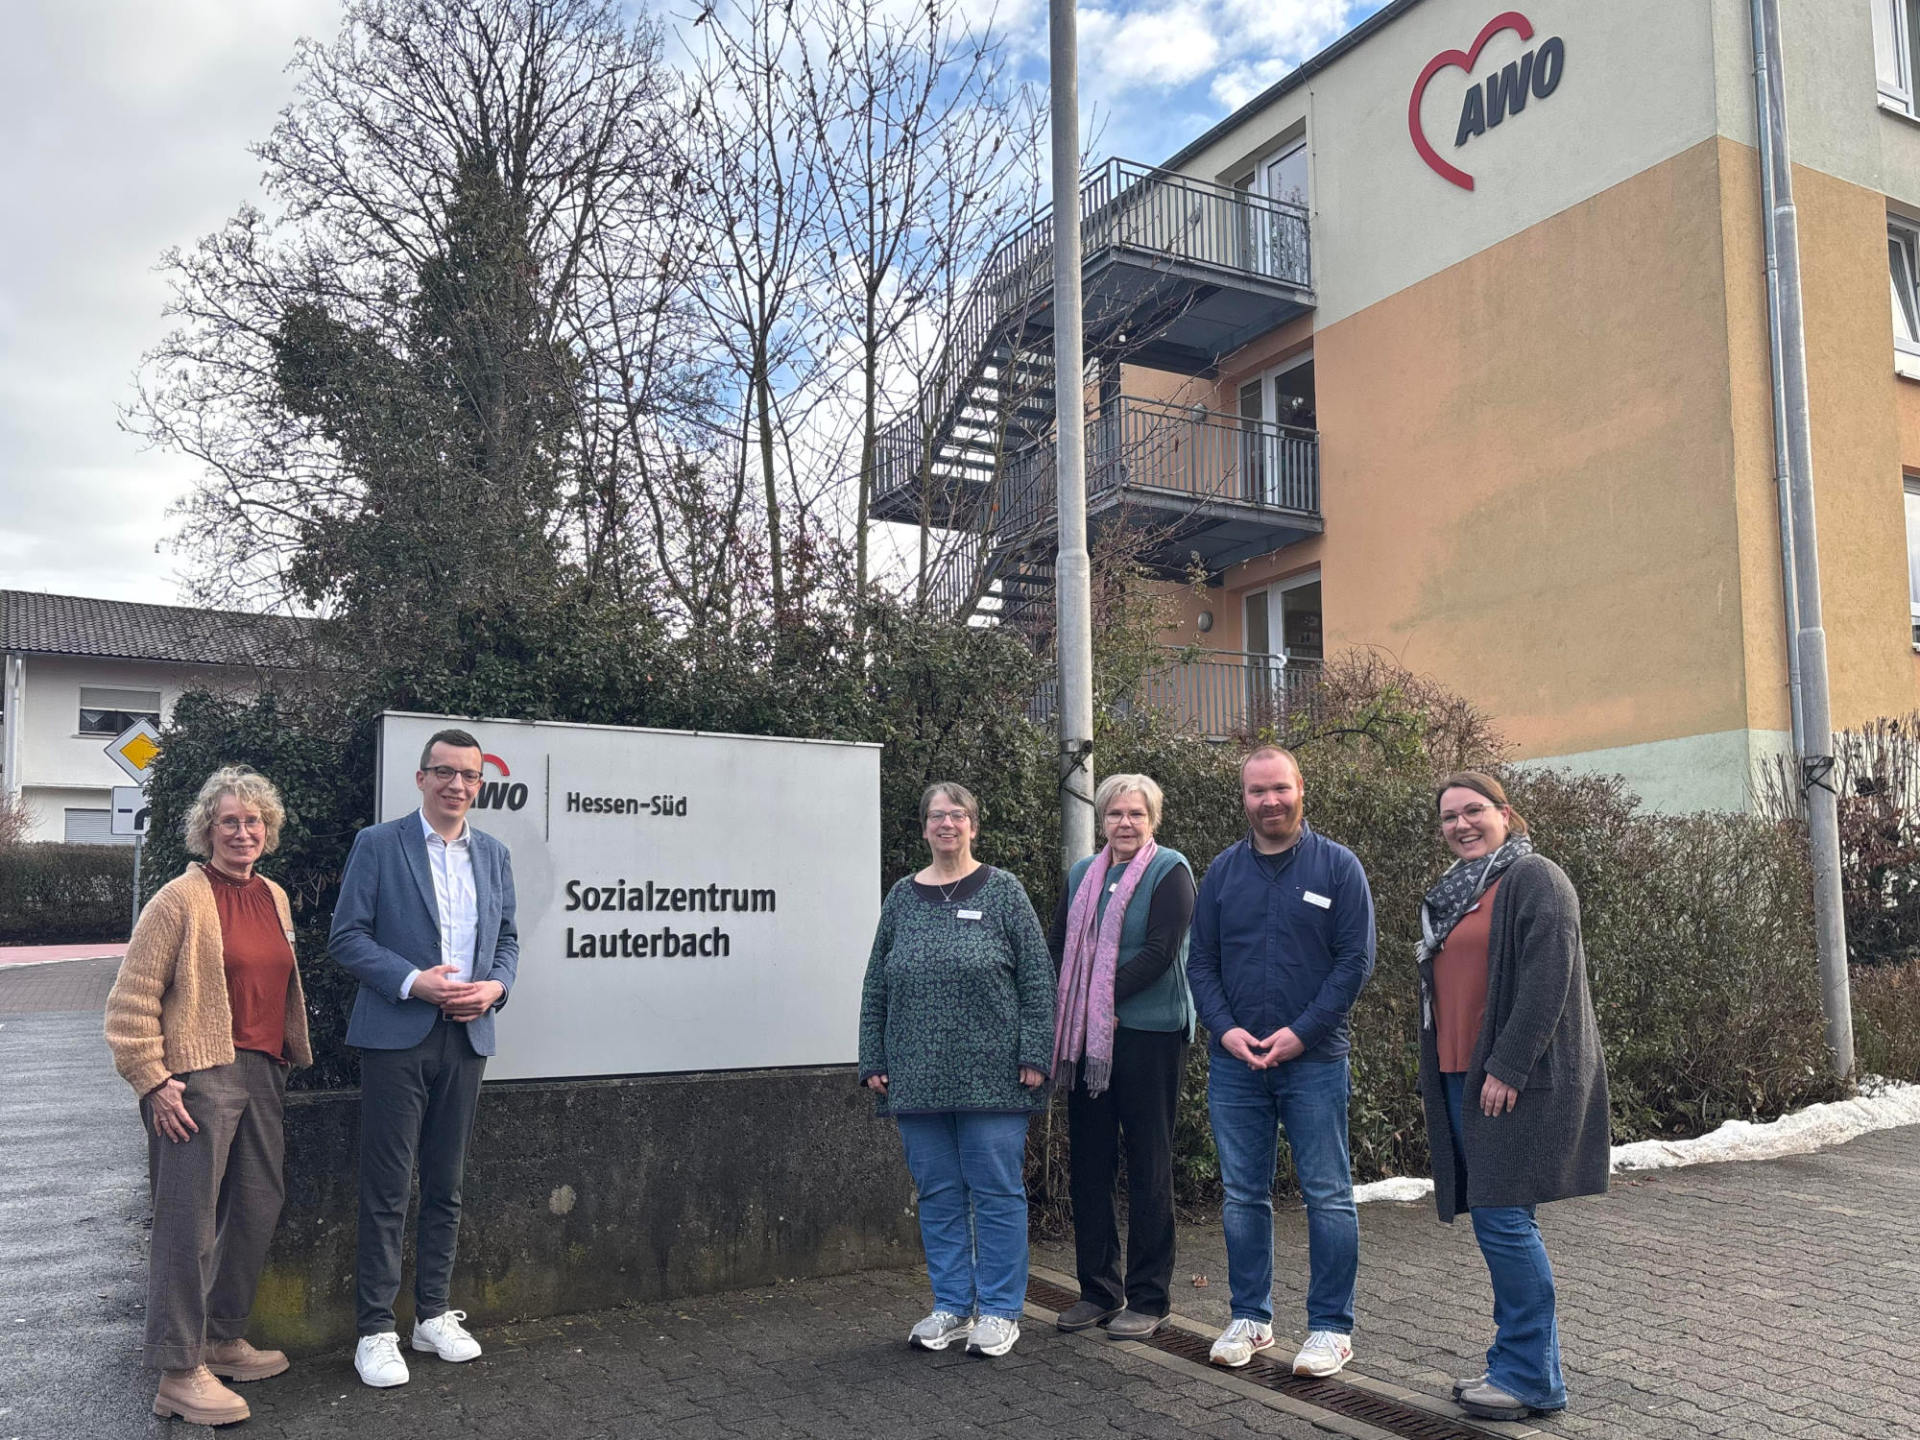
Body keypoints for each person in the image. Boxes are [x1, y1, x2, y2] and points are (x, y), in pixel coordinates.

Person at [105, 766, 313, 1427]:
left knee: (256, 1207)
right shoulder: (177, 900)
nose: (243, 831)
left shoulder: (274, 896)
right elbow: (131, 1001)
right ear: (207, 829)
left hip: (262, 1071)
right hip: (196, 1077)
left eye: (254, 821)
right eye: (229, 821)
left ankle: (221, 1339)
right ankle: (176, 1370)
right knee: (186, 1224)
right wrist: (154, 1079)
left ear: (268, 830)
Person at [330, 727, 519, 1389]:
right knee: (387, 1191)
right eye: (444, 772)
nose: (457, 785)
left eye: (469, 775)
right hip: (395, 1035)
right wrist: (416, 981)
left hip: (466, 1039)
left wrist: (494, 988)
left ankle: (432, 1314)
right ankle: (376, 1329)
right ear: (420, 777)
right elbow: (346, 938)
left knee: (446, 1186)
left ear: (479, 783)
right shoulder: (378, 845)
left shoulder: (493, 854)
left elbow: (510, 943)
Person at [1418, 772, 1609, 1421]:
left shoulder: (1536, 879)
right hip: (1460, 1075)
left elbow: (1548, 976)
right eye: (1449, 817)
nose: (1462, 824)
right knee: (1503, 1222)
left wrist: (1509, 1065)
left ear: (1505, 814)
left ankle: (1527, 1376)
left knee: (1504, 1222)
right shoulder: (1457, 893)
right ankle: (1530, 1372)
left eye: (1474, 811)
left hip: (1509, 1080)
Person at [1188, 745, 1375, 1376]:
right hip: (1235, 1062)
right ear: (1242, 799)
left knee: (1327, 1194)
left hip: (1315, 1060)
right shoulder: (1221, 873)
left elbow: (1355, 964)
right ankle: (1251, 1317)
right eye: (1256, 791)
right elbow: (1202, 964)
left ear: (1301, 790)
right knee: (1242, 1194)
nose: (1269, 801)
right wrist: (1225, 1029)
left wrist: (1302, 1032)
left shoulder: (1339, 868)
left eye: (1280, 789)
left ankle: (1330, 1328)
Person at [858, 781, 1053, 1359]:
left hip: (994, 1077)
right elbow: (876, 983)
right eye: (937, 816)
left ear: (973, 826)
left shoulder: (1006, 892)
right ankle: (950, 1305)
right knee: (938, 1193)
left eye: (958, 815)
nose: (947, 824)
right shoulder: (900, 896)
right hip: (915, 1075)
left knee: (995, 1192)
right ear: (923, 828)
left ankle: (998, 1311)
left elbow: (1037, 980)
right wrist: (874, 1057)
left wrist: (1034, 1053)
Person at [1047, 773, 1196, 1341]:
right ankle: (1098, 1291)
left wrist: (1100, 998)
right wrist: (1077, 1007)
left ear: (1152, 819)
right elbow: (1060, 942)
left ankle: (1150, 1298)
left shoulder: (1170, 870)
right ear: (1102, 819)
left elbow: (1161, 951)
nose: (1125, 824)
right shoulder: (1084, 873)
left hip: (1150, 1035)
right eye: (1115, 814)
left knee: (1148, 1165)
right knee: (1089, 1164)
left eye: (1136, 814)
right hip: (1087, 1040)